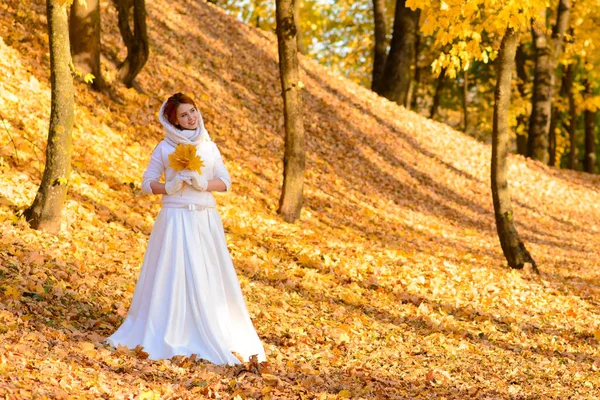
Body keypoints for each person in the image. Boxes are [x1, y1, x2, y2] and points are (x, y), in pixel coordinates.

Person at [106, 93, 266, 365]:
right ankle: (169, 327)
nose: (191, 117)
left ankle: (211, 324)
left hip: (204, 219)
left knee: (207, 273)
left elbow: (225, 182)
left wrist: (203, 184)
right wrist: (168, 187)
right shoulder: (164, 149)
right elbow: (146, 183)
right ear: (173, 121)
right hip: (175, 218)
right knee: (172, 272)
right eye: (184, 115)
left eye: (193, 111)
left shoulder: (209, 146)